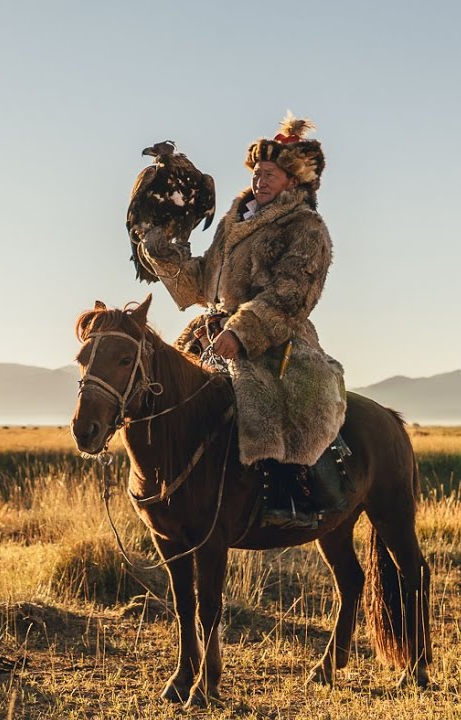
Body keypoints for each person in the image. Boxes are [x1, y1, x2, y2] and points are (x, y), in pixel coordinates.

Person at [138, 113, 347, 528]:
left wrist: (241, 332)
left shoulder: (307, 228)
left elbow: (290, 296)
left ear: (292, 179)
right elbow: (203, 283)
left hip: (274, 336)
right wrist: (162, 251)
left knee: (267, 398)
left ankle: (295, 497)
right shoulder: (233, 225)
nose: (260, 180)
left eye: (270, 173)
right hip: (212, 331)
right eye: (257, 173)